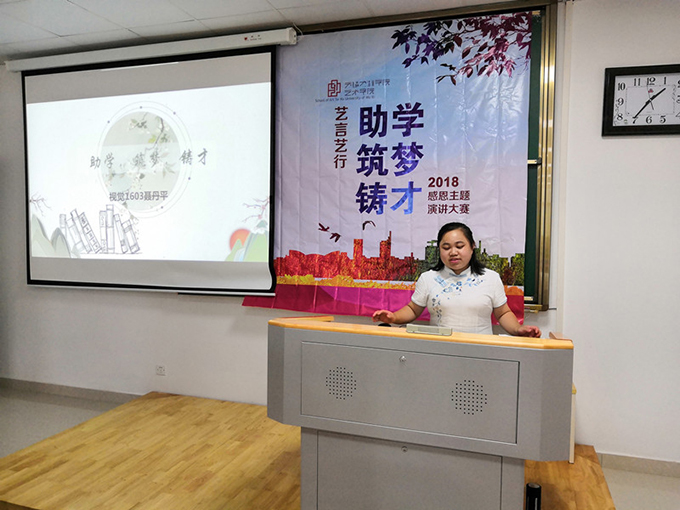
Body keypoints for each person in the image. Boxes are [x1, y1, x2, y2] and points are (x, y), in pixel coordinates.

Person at [372, 222, 541, 337]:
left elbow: (503, 313)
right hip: (439, 350)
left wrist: (518, 329)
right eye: (446, 247)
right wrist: (393, 318)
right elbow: (413, 309)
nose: (453, 252)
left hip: (480, 350)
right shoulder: (428, 278)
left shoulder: (490, 278)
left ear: (472, 246)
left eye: (460, 246)